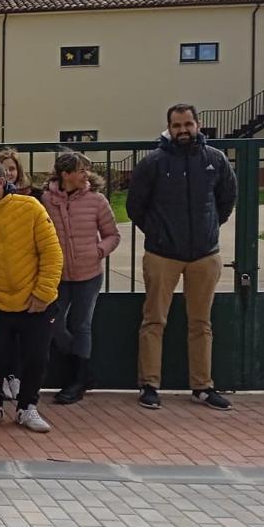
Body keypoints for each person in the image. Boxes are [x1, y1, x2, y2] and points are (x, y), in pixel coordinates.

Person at [128, 104, 237, 411]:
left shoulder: (215, 159)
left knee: (201, 323)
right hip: (162, 254)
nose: (183, 130)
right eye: (177, 125)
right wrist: (158, 233)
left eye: (188, 124)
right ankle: (149, 384)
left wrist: (210, 227)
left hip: (205, 255)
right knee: (154, 321)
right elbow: (136, 205)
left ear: (198, 125)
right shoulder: (154, 163)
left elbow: (227, 198)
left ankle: (202, 387)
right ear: (169, 128)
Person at [0, 158, 63, 433]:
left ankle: (27, 408)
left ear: (0, 182)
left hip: (35, 303)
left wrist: (43, 293)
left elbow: (52, 253)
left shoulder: (30, 208)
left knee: (36, 358)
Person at [41, 151, 120, 405]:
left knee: (82, 324)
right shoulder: (46, 200)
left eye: (87, 170)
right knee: (54, 323)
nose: (85, 174)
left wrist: (99, 251)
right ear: (66, 174)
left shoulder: (96, 200)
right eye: (80, 170)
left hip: (89, 274)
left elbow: (112, 235)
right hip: (58, 276)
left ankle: (76, 380)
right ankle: (83, 370)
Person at [0, 147, 40, 400]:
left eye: (12, 168)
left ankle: (17, 380)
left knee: (26, 340)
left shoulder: (33, 202)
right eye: (3, 169)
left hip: (27, 281)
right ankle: (0, 379)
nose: (8, 174)